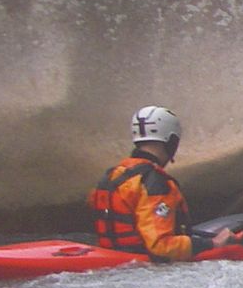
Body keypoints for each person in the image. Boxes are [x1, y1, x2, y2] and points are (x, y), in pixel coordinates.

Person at [88, 105, 235, 261]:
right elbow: (161, 246)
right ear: (171, 141)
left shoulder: (113, 175)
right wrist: (213, 243)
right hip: (142, 267)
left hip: (113, 260)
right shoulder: (154, 183)